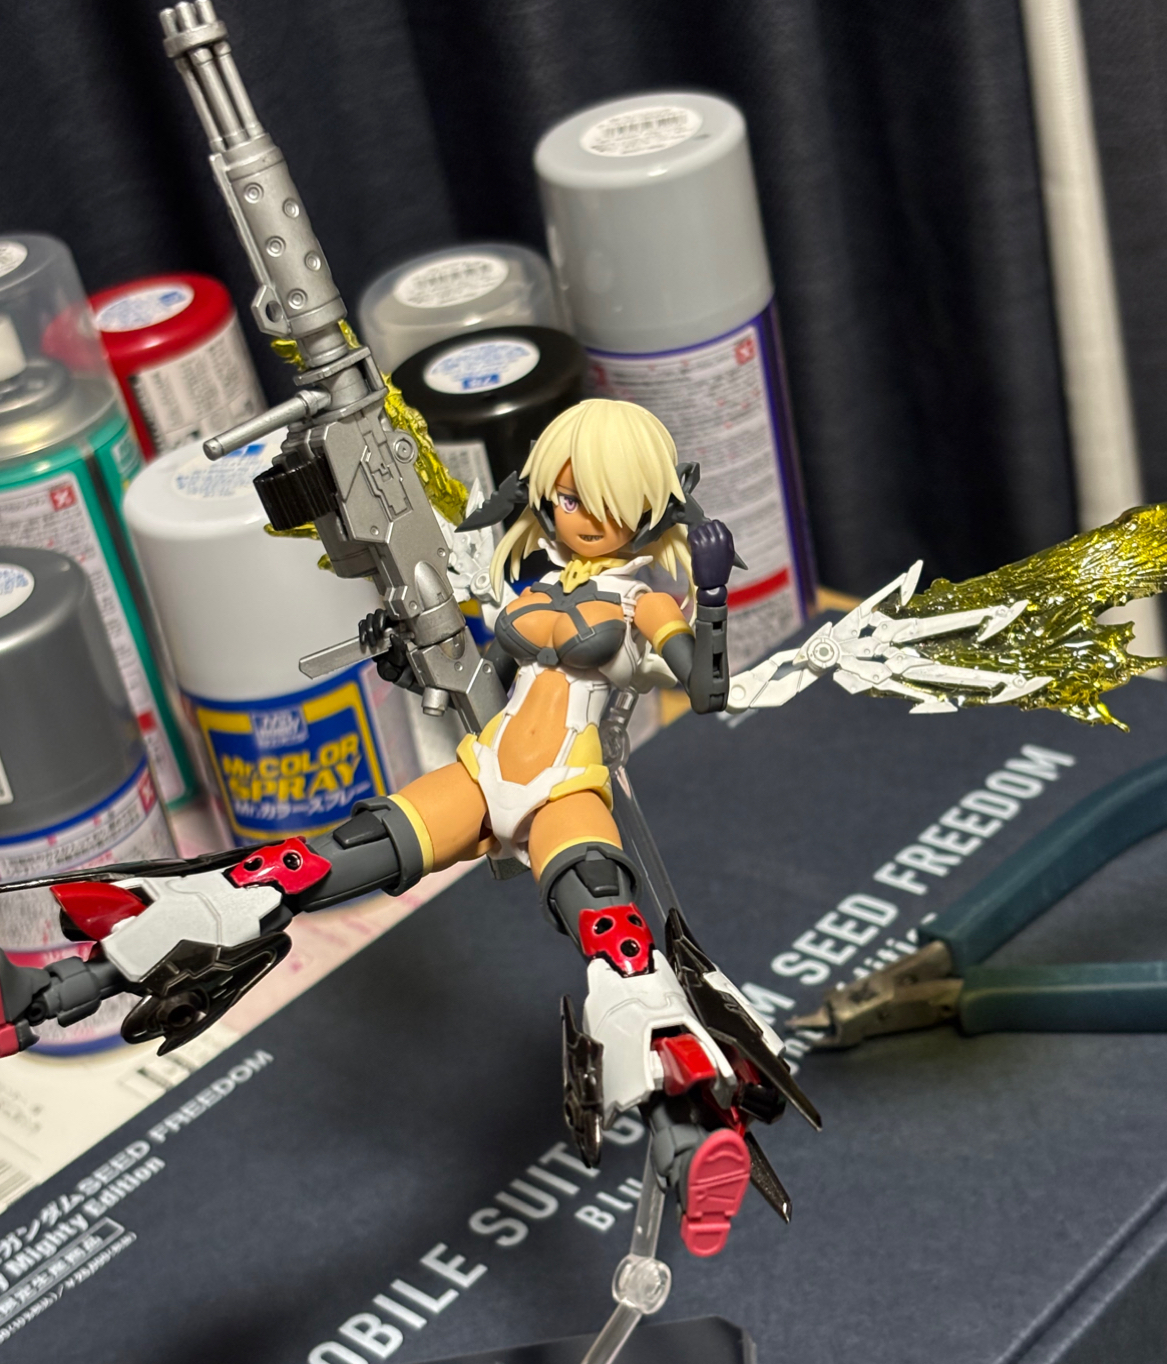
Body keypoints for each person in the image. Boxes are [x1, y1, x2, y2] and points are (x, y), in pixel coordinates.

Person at [0, 400, 810, 1258]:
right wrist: (403, 654)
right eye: (562, 494)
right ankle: (53, 995)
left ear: (644, 504)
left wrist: (709, 595)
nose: (571, 513)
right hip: (481, 773)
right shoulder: (534, 585)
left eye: (594, 499)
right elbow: (477, 679)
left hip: (565, 788)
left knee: (618, 943)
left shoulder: (644, 603)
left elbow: (707, 689)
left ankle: (691, 1141)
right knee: (281, 875)